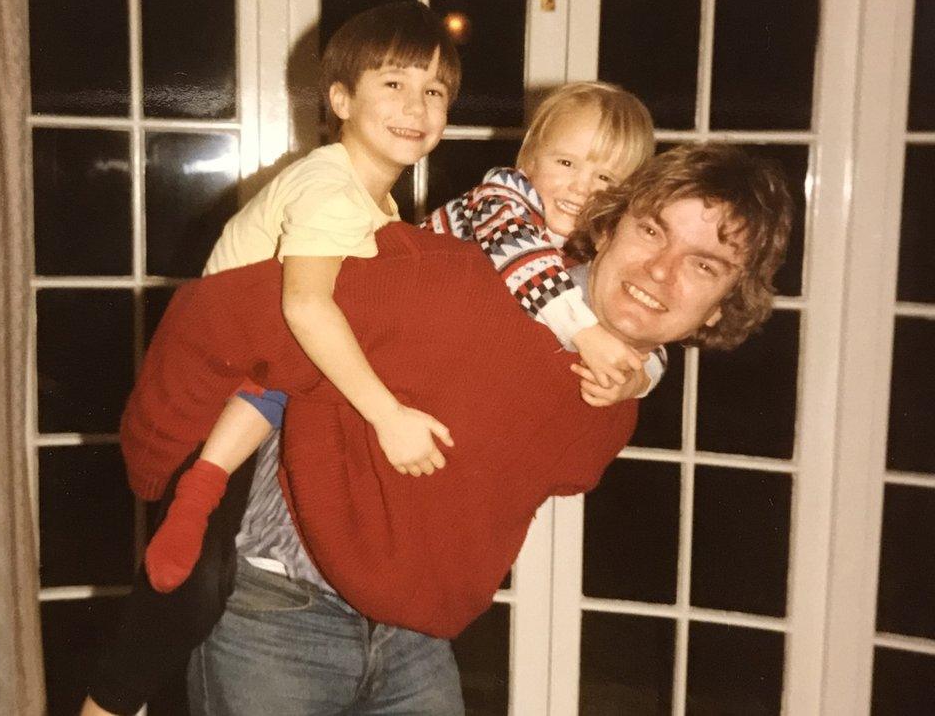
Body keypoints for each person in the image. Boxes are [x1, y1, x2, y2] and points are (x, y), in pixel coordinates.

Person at [113, 143, 792, 715]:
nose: (660, 272)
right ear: (608, 226)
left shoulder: (619, 394)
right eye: (652, 230)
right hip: (280, 616)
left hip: (416, 641)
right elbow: (219, 316)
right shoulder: (456, 281)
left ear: (720, 309)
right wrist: (158, 469)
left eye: (704, 266)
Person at [144, 81, 663, 592]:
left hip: (420, 379)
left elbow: (645, 336)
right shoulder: (503, 195)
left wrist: (635, 379)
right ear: (530, 156)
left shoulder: (589, 252)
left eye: (605, 179)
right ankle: (202, 486)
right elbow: (519, 255)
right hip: (372, 322)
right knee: (282, 379)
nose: (580, 188)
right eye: (566, 164)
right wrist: (586, 333)